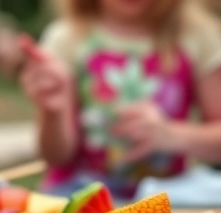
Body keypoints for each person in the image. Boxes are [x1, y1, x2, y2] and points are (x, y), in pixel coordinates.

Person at [20, 0, 221, 199]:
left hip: (165, 201)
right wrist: (53, 111)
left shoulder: (196, 36)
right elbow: (56, 156)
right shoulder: (67, 38)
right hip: (79, 195)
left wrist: (170, 135)